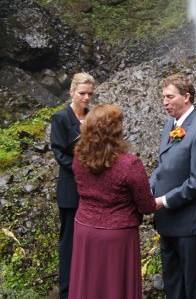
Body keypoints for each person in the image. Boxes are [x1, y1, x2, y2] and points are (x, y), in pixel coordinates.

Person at [68, 104, 157, 299]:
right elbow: (147, 206)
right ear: (115, 131)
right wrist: (164, 200)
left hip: (85, 230)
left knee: (87, 285)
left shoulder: (78, 157)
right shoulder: (129, 164)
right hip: (117, 235)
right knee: (115, 287)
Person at [150, 74, 196, 299]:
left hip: (189, 223)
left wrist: (163, 201)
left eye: (170, 97)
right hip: (167, 220)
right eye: (163, 97)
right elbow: (162, 166)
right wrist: (148, 189)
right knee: (172, 283)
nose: (165, 102)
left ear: (186, 97)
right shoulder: (170, 124)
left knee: (192, 285)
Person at [50, 72, 95, 299]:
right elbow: (58, 152)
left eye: (89, 94)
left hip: (93, 192)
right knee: (69, 242)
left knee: (89, 243)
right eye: (82, 93)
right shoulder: (60, 117)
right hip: (70, 189)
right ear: (71, 92)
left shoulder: (93, 116)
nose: (86, 98)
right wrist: (82, 169)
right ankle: (67, 292)